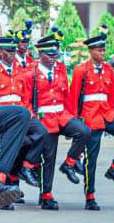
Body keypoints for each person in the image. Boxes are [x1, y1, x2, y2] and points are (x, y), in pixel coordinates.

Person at [68, 27, 114, 211]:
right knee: (91, 159)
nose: (103, 53)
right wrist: (74, 122)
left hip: (106, 113)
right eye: (99, 50)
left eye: (104, 50)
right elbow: (74, 97)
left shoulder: (108, 69)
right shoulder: (81, 70)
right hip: (90, 116)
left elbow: (111, 95)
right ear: (91, 52)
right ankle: (90, 196)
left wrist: (112, 113)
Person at [30, 28, 90, 210]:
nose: (53, 58)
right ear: (40, 54)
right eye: (49, 55)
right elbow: (27, 99)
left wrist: (72, 116)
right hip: (44, 118)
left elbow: (67, 95)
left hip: (62, 115)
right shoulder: (32, 72)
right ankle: (46, 194)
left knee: (83, 131)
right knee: (48, 157)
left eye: (55, 54)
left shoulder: (61, 69)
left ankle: (69, 163)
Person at [0, 32, 46, 207]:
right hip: (2, 117)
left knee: (41, 133)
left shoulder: (20, 70)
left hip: (22, 115)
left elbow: (25, 98)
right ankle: (3, 192)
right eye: (8, 51)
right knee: (11, 146)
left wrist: (30, 115)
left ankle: (27, 166)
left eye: (13, 51)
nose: (11, 54)